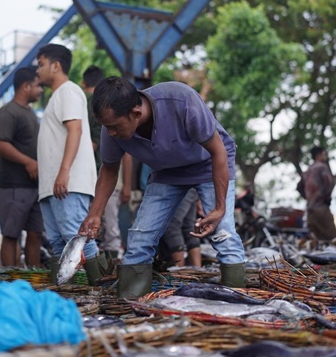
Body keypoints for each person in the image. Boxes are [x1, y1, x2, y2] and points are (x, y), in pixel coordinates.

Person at [78, 77, 247, 298]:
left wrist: (219, 207)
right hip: (167, 172)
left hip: (208, 164)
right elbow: (109, 169)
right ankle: (131, 301)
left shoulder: (181, 100)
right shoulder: (112, 128)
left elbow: (218, 152)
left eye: (114, 127)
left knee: (223, 234)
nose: (110, 134)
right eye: (106, 127)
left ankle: (235, 300)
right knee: (139, 239)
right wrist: (95, 213)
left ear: (136, 114)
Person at [35, 44, 103, 284]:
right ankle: (66, 292)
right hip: (54, 185)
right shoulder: (58, 95)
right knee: (58, 242)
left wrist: (64, 172)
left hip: (68, 182)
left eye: (41, 64)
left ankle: (100, 290)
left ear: (56, 66)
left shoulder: (68, 91)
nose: (38, 70)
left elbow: (75, 130)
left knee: (78, 238)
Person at [0, 67, 45, 268]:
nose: (40, 90)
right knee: (11, 234)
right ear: (25, 86)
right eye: (37, 85)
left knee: (35, 233)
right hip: (13, 186)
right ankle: (9, 279)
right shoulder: (9, 112)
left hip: (33, 186)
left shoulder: (30, 113)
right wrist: (28, 162)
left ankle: (33, 280)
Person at [157, 189, 202, 267]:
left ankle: (180, 271)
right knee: (189, 227)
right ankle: (198, 270)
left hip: (179, 185)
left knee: (172, 226)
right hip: (191, 186)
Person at [303, 146, 336, 241]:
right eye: (324, 154)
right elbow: (328, 183)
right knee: (334, 239)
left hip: (310, 211)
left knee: (314, 241)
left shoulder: (308, 170)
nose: (325, 156)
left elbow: (299, 186)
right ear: (318, 155)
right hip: (321, 209)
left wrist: (309, 198)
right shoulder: (322, 167)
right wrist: (326, 199)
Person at [82, 65, 105, 171]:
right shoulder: (104, 103)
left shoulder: (81, 100)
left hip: (85, 164)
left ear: (83, 84)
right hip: (97, 163)